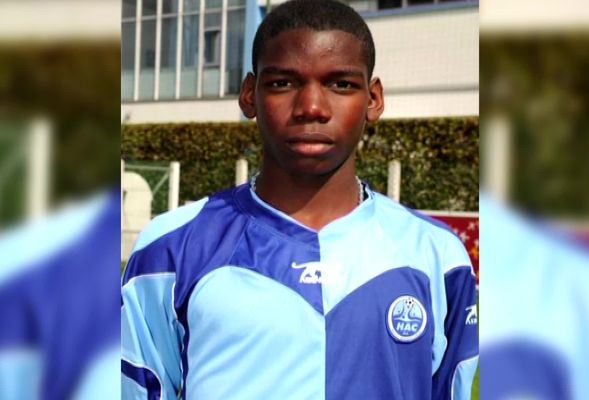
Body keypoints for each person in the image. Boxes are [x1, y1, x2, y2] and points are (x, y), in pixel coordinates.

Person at [121, 0, 478, 399]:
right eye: (283, 83)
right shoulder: (170, 250)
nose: (311, 107)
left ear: (373, 99)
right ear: (249, 95)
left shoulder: (436, 255)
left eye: (341, 84)